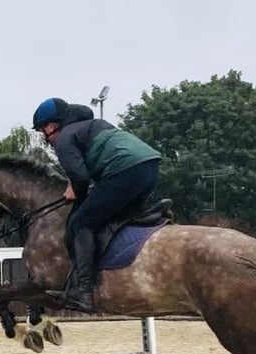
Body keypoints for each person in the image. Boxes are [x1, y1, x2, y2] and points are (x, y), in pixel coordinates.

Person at [32, 97, 162, 312]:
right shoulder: (94, 126)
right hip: (149, 167)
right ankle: (148, 213)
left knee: (81, 223)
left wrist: (75, 192)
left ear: (51, 126)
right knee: (115, 216)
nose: (45, 138)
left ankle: (83, 292)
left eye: (42, 131)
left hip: (124, 171)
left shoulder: (64, 138)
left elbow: (81, 178)